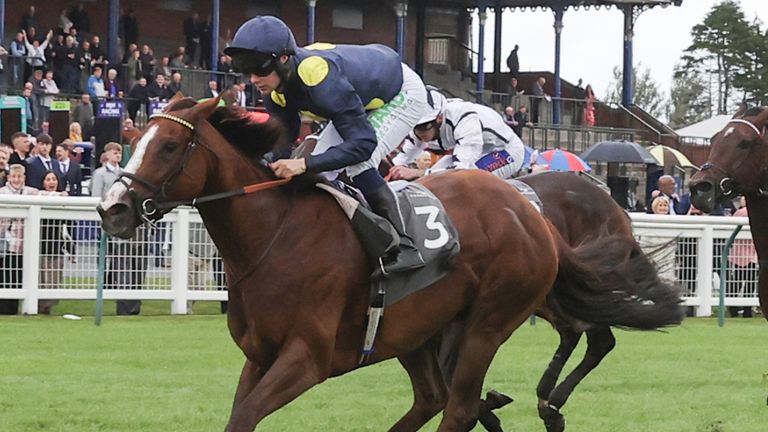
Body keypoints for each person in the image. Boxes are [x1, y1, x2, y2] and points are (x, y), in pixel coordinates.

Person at [224, 15, 429, 276]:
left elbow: (363, 144)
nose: (253, 78)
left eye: (259, 68)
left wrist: (302, 163)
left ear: (284, 59)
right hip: (358, 98)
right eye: (245, 69)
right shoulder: (275, 91)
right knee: (318, 172)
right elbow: (282, 145)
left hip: (399, 93)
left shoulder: (318, 77)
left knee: (358, 162)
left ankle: (406, 247)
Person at [389, 89, 525, 181]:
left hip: (507, 151)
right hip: (479, 149)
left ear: (439, 118)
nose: (419, 133)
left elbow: (461, 170)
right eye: (415, 127)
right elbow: (401, 159)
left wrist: (416, 173)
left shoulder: (465, 120)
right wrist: (391, 170)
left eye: (424, 127)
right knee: (435, 173)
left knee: (468, 178)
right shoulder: (425, 123)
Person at [91, 142, 145, 315]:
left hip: (132, 224)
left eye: (120, 152)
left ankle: (134, 305)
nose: (118, 154)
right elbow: (96, 197)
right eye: (115, 152)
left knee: (137, 264)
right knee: (121, 265)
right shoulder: (100, 174)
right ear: (106, 154)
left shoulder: (125, 173)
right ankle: (124, 306)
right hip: (114, 225)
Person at [0, 164, 39, 315]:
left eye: (19, 176)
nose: (16, 180)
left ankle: (16, 310)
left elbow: (45, 195)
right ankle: (4, 310)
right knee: (6, 277)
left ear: (24, 178)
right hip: (6, 244)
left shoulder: (31, 192)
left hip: (25, 244)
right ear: (8, 177)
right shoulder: (2, 192)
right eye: (13, 176)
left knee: (19, 278)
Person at [38, 171, 70, 314]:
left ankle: (48, 307)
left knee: (55, 278)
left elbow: (68, 226)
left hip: (57, 245)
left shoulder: (65, 200)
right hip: (41, 244)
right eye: (48, 179)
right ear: (43, 182)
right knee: (42, 277)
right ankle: (40, 306)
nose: (51, 182)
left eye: (54, 179)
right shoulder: (37, 196)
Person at [728, 196, 757, 318]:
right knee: (749, 283)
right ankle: (747, 309)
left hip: (739, 254)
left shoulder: (739, 213)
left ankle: (733, 309)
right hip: (751, 254)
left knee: (736, 282)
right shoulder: (751, 212)